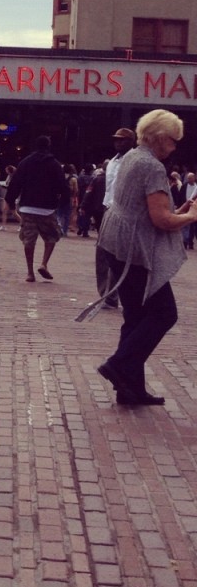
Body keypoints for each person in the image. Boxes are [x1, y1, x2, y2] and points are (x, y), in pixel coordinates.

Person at [94, 110, 197, 406]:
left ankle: (130, 388)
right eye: (174, 141)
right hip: (134, 253)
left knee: (136, 317)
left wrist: (179, 212)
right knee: (165, 313)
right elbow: (161, 220)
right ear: (162, 138)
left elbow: (151, 213)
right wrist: (190, 216)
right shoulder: (152, 166)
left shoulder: (131, 157)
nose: (175, 146)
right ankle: (119, 364)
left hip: (116, 244)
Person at [5, 136, 67, 283]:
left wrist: (11, 202)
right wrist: (62, 202)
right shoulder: (55, 164)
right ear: (49, 146)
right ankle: (44, 263)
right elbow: (63, 186)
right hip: (47, 208)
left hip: (27, 207)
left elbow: (16, 182)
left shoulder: (25, 162)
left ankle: (30, 273)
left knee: (29, 240)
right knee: (52, 237)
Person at [96, 127, 136, 309]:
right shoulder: (112, 161)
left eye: (122, 140)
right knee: (102, 255)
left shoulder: (135, 160)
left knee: (118, 257)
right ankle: (106, 295)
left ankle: (114, 297)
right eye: (116, 139)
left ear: (131, 141)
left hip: (124, 212)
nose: (118, 143)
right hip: (108, 209)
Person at [184, 172, 197, 250]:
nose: (189, 180)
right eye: (188, 178)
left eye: (190, 178)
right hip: (186, 208)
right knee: (186, 226)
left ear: (194, 178)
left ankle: (190, 242)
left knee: (193, 227)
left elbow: (194, 197)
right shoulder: (184, 186)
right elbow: (180, 196)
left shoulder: (196, 186)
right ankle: (185, 242)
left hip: (195, 209)